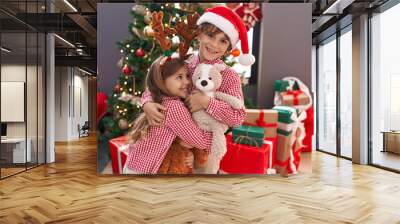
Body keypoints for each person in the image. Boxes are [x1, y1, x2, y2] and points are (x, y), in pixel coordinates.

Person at [140, 6, 256, 173]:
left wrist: (207, 103)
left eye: (223, 41)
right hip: (176, 142)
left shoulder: (229, 76)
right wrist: (147, 103)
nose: (214, 44)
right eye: (210, 35)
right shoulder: (184, 63)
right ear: (200, 34)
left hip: (206, 148)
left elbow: (238, 117)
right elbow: (158, 85)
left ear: (229, 46)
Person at [123, 55, 213, 174]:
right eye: (179, 77)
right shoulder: (174, 107)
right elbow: (201, 142)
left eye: (187, 76)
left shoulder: (161, 97)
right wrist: (214, 129)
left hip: (135, 165)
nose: (186, 82)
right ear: (161, 81)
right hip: (143, 171)